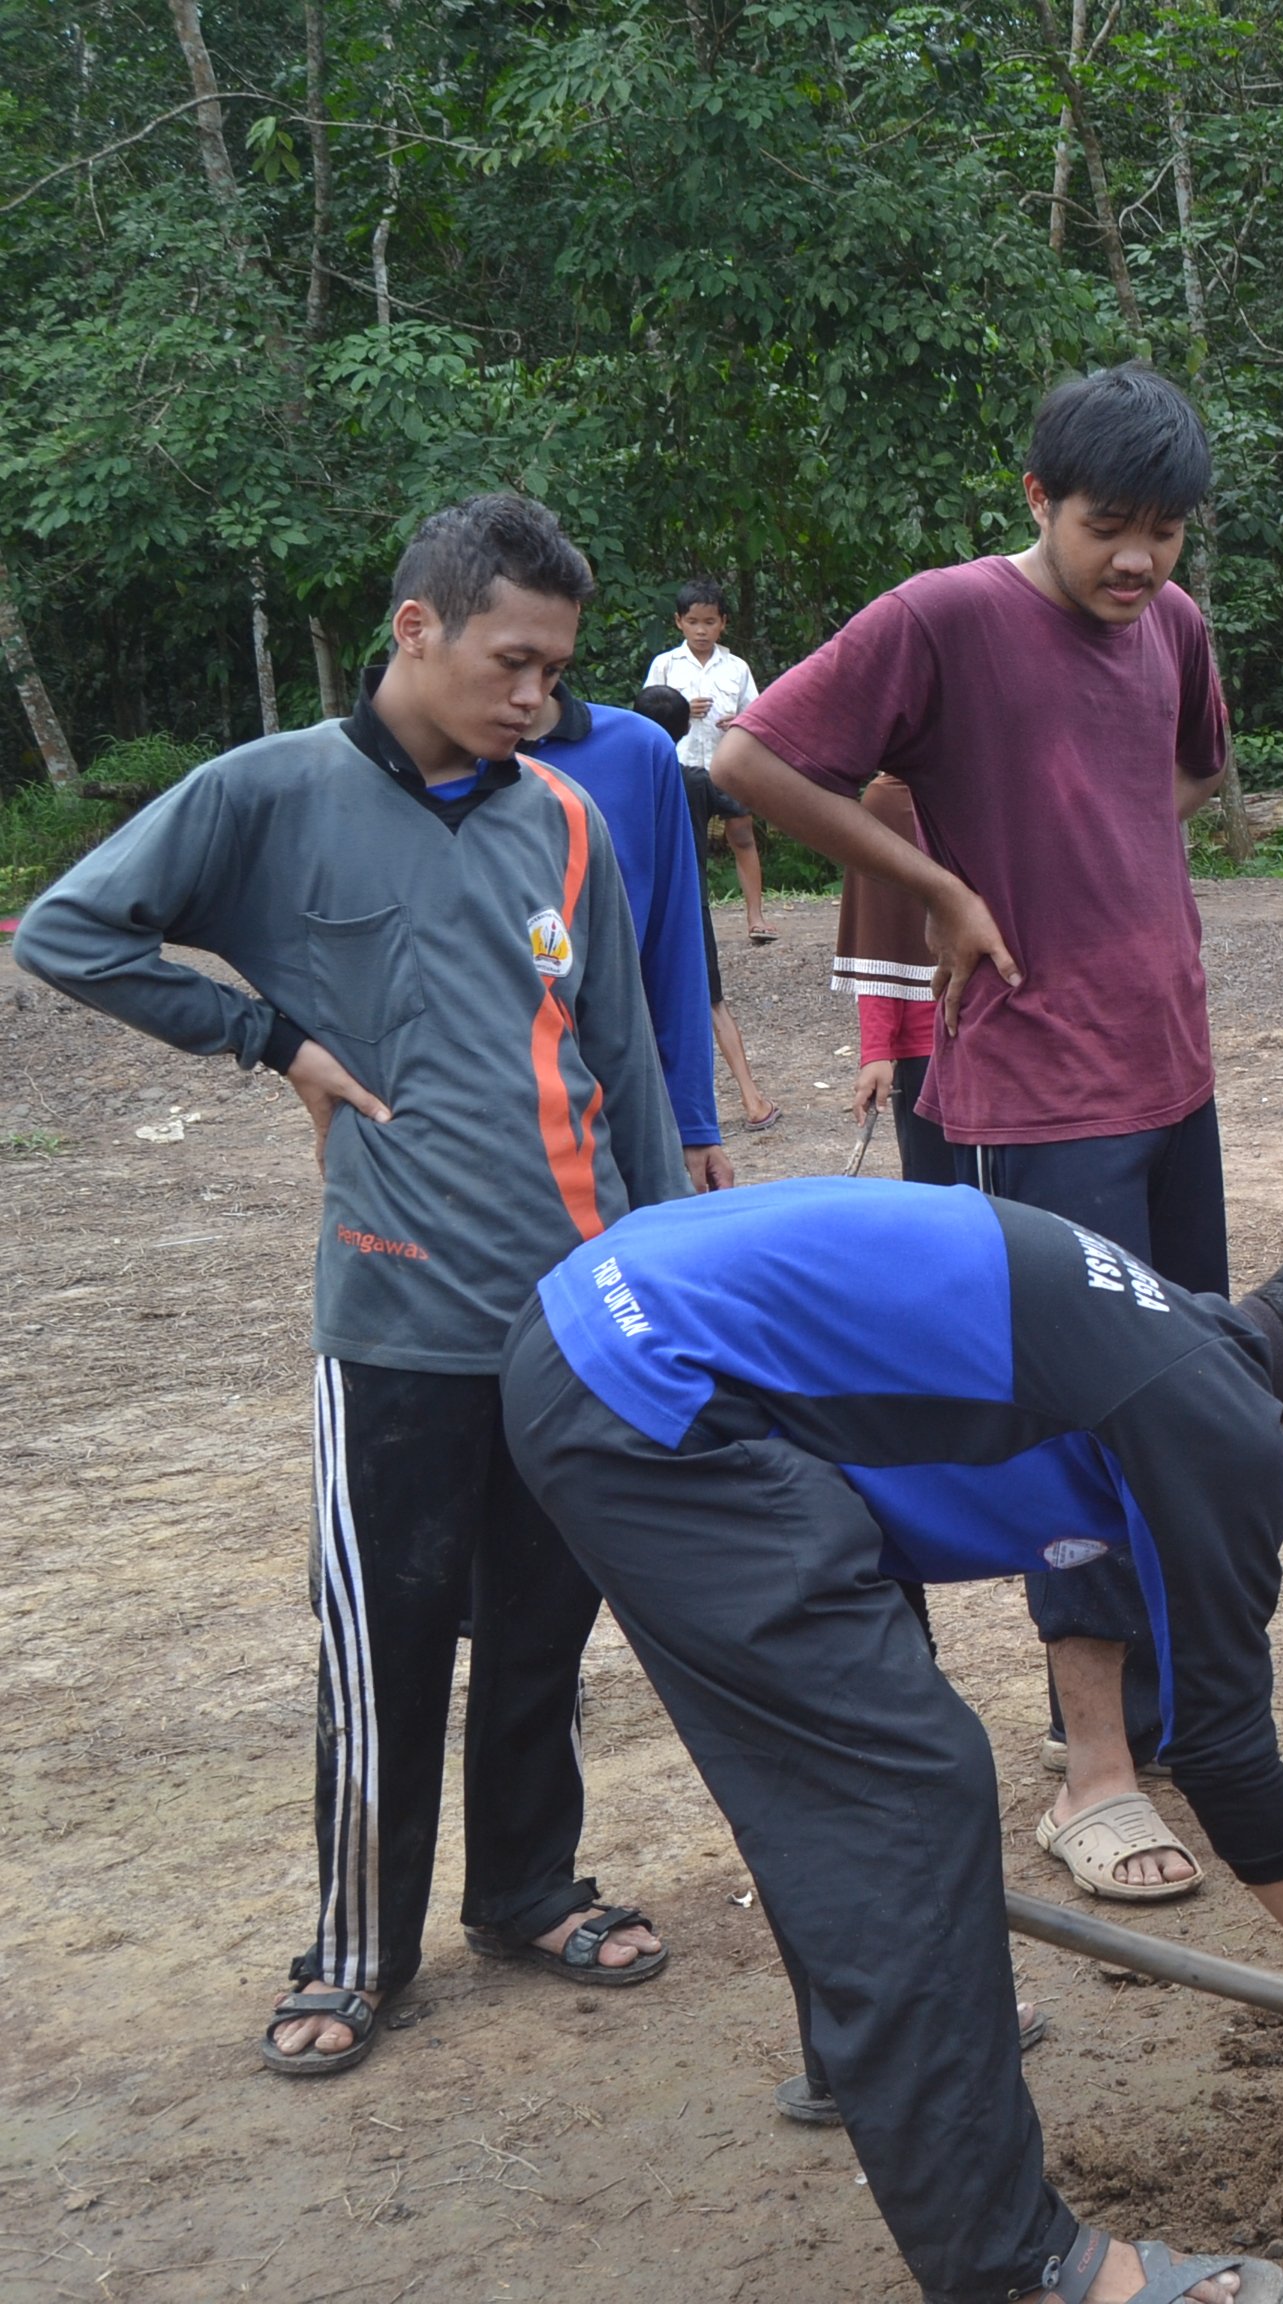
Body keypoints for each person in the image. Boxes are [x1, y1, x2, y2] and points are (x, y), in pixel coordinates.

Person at [502, 1187, 1283, 2304]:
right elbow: (1219, 1745)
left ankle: (868, 2057)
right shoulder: (1209, 1415)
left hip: (602, 1333)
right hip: (654, 1391)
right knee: (912, 1792)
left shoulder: (1158, 1341)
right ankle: (1019, 2268)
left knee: (846, 1754)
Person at [14, 493, 682, 2076]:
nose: (537, 698)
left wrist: (663, 1274)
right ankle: (353, 1950)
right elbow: (68, 931)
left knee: (542, 1629)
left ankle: (527, 1891)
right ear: (417, 629)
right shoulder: (269, 796)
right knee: (388, 1639)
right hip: (395, 1320)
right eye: (513, 663)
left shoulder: (564, 821)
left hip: (572, 1312)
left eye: (557, 673)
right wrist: (270, 1040)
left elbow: (625, 1057)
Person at [712, 359, 1233, 1904]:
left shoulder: (1174, 632)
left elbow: (1190, 771)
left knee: (1183, 1401)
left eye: (1166, 532)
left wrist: (1093, 851)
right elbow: (750, 761)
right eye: (1106, 528)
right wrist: (938, 880)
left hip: (1172, 1073)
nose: (1138, 562)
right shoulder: (943, 616)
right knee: (1062, 1430)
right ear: (1035, 503)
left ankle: (1170, 1715)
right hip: (1026, 1102)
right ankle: (1092, 1774)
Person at [529, 682, 732, 1189]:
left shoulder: (636, 751)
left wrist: (692, 1122)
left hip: (616, 1099)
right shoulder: (424, 763)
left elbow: (674, 947)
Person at [630, 683, 782, 1132]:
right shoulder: (695, 780)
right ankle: (752, 1100)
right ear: (684, 729)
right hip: (686, 909)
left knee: (632, 1003)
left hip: (631, 905)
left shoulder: (617, 780)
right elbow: (742, 824)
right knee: (711, 1001)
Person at [832, 773, 959, 1183]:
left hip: (1010, 1033)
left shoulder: (1001, 779)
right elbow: (879, 933)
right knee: (937, 1195)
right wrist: (876, 1050)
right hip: (929, 1044)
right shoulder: (887, 800)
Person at [641, 578, 774, 942]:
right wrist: (682, 710)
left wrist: (740, 722)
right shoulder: (665, 665)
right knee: (684, 842)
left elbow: (758, 714)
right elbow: (647, 714)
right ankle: (684, 922)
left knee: (742, 834)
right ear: (679, 622)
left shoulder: (737, 668)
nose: (702, 630)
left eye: (710, 622)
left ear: (723, 623)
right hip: (681, 766)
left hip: (728, 765)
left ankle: (756, 918)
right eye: (694, 622)